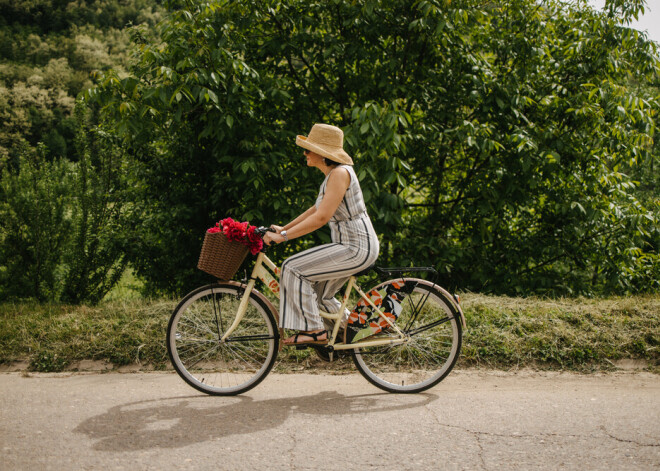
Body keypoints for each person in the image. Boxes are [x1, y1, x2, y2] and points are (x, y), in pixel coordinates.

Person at [263, 123, 380, 346]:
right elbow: (315, 210)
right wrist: (284, 228)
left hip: (355, 248)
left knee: (291, 268)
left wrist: (284, 237)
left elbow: (320, 219)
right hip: (351, 246)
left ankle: (315, 331)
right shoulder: (332, 175)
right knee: (319, 294)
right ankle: (348, 332)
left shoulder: (339, 174)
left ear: (323, 153)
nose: (304, 153)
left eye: (308, 149)